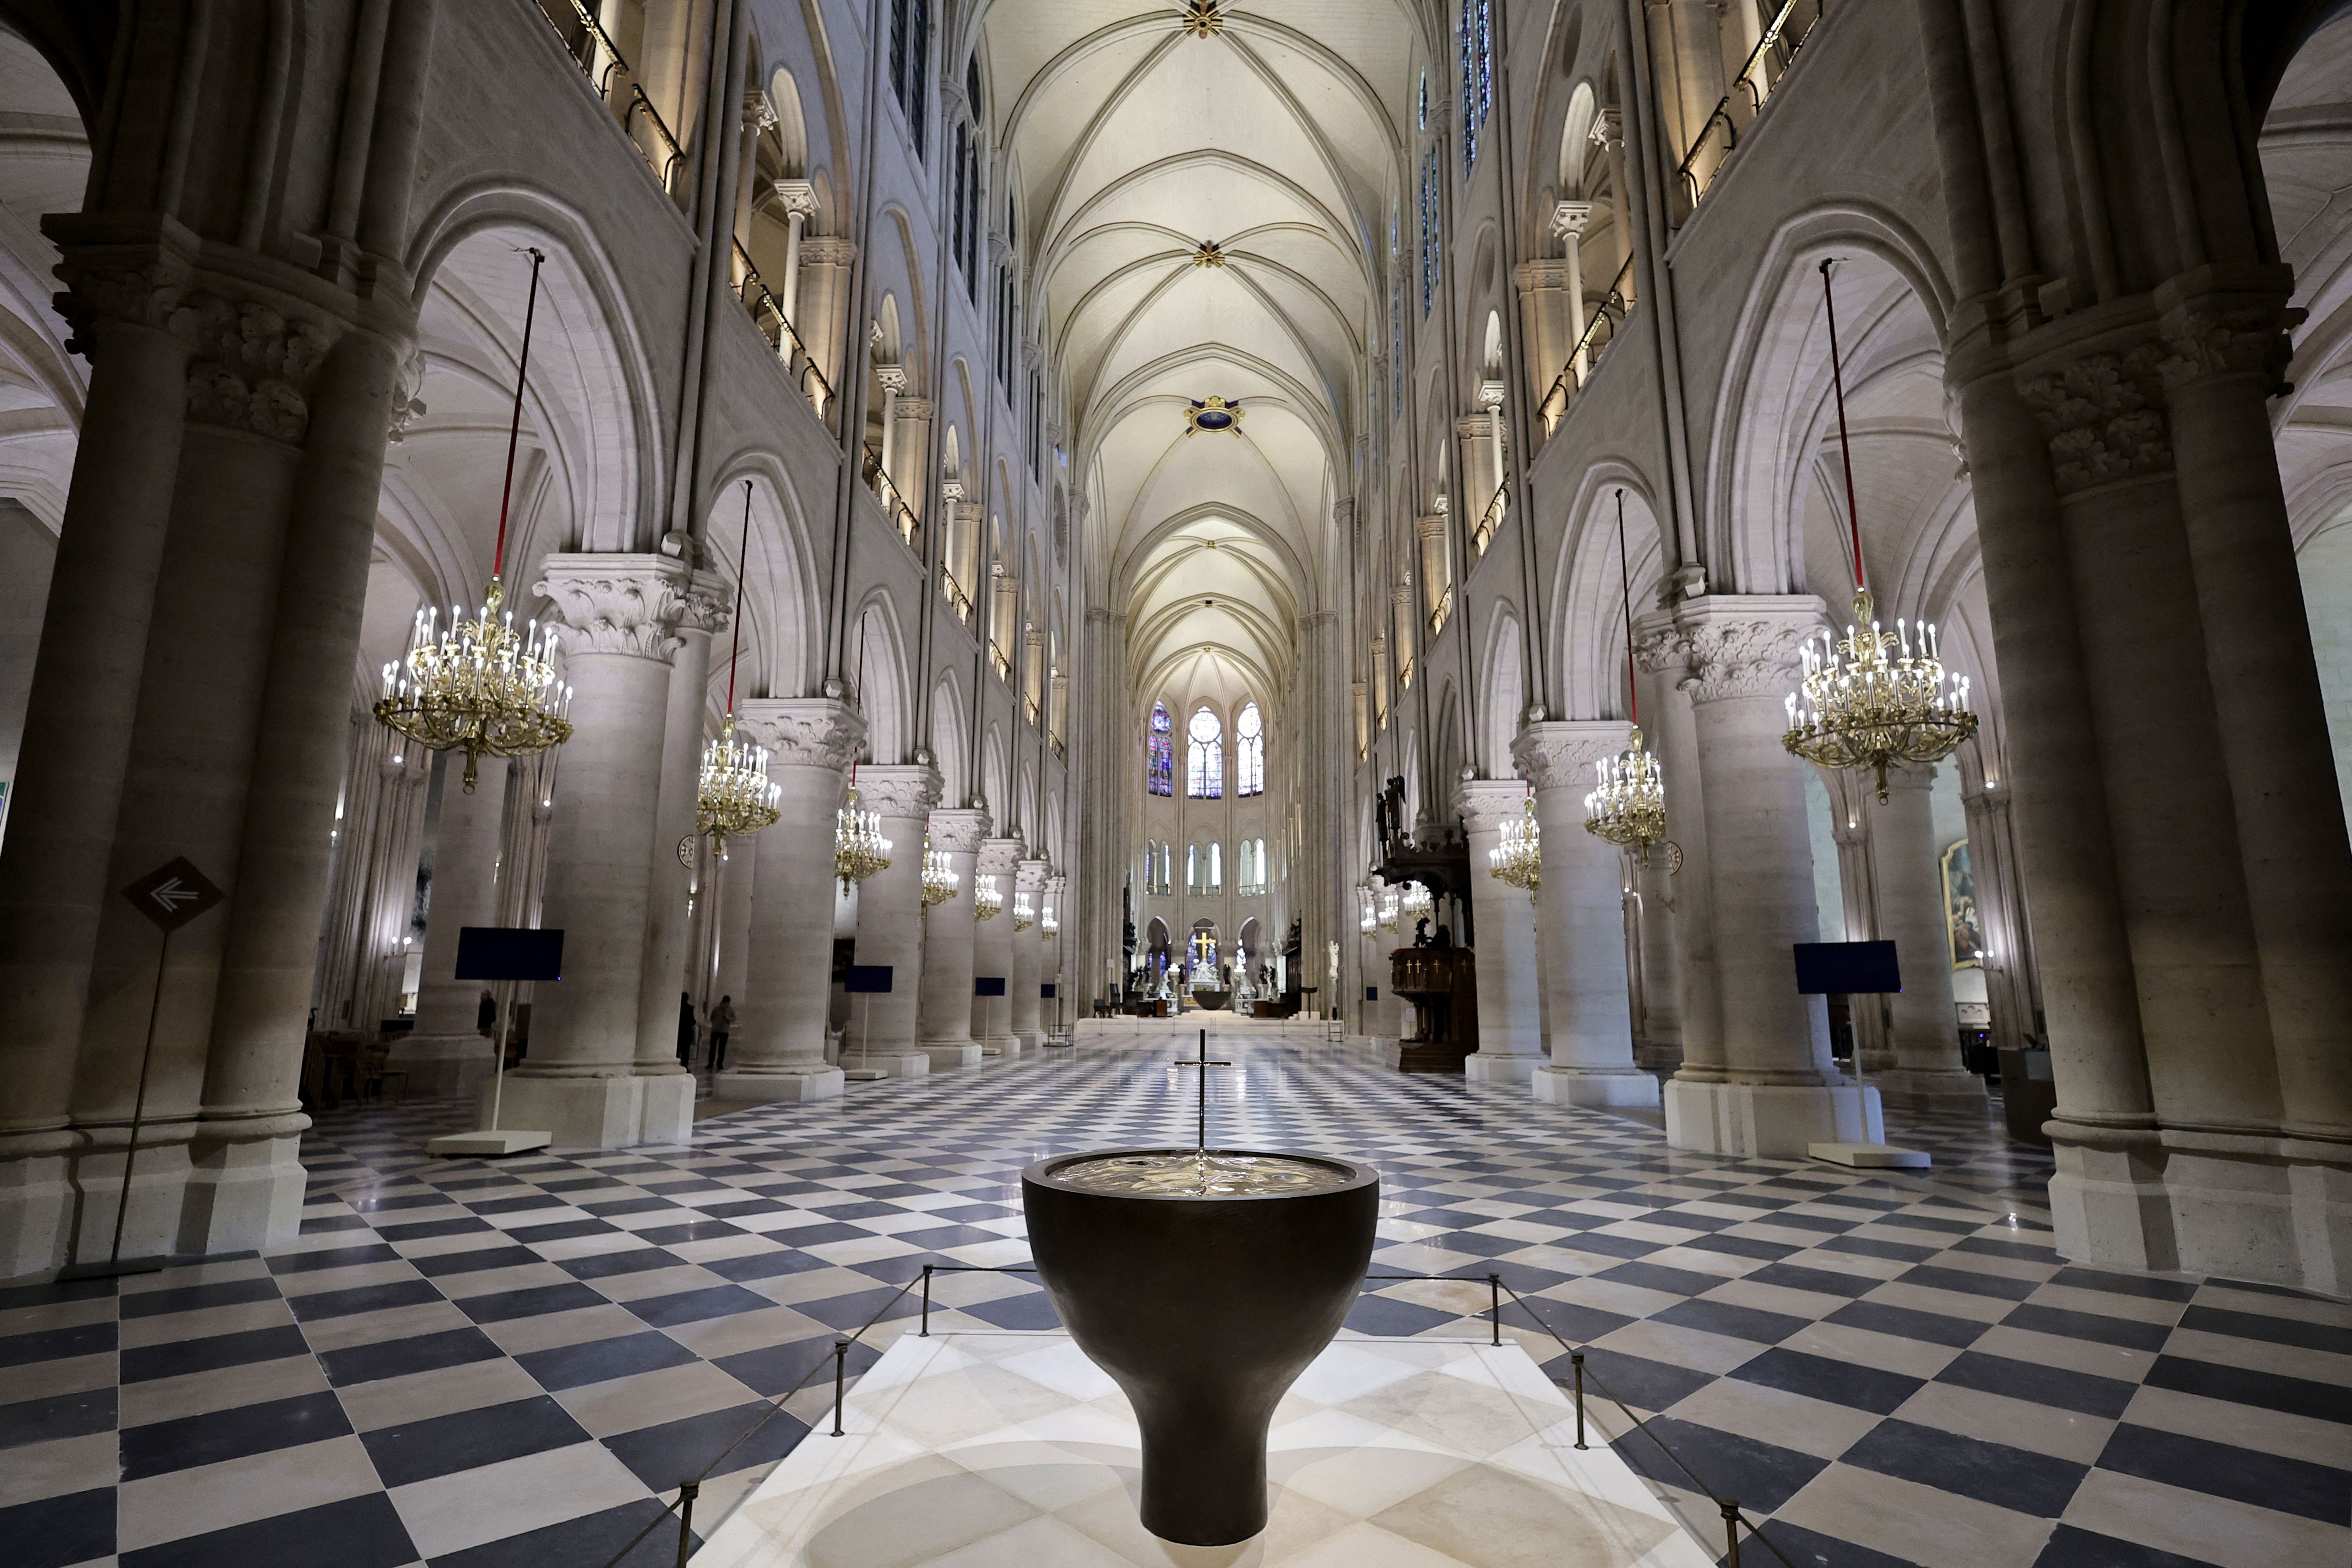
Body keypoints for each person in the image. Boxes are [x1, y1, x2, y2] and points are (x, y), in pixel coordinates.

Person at [708, 994, 736, 1072]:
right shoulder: (716, 1009)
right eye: (725, 1003)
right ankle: (711, 1063)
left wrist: (728, 1019)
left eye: (727, 1004)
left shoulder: (731, 1010)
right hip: (715, 1030)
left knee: (722, 1049)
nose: (726, 1005)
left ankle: (720, 1063)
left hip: (724, 1031)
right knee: (713, 1048)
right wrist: (715, 1024)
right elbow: (712, 1018)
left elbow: (734, 1018)